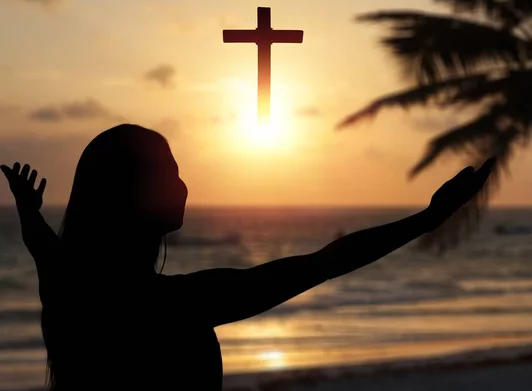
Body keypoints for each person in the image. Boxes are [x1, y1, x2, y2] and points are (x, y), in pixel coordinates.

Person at [1, 123, 495, 391]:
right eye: (170, 173)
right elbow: (321, 263)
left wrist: (27, 210)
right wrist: (426, 220)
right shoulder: (175, 305)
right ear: (132, 193)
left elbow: (39, 241)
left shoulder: (66, 282)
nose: (183, 184)